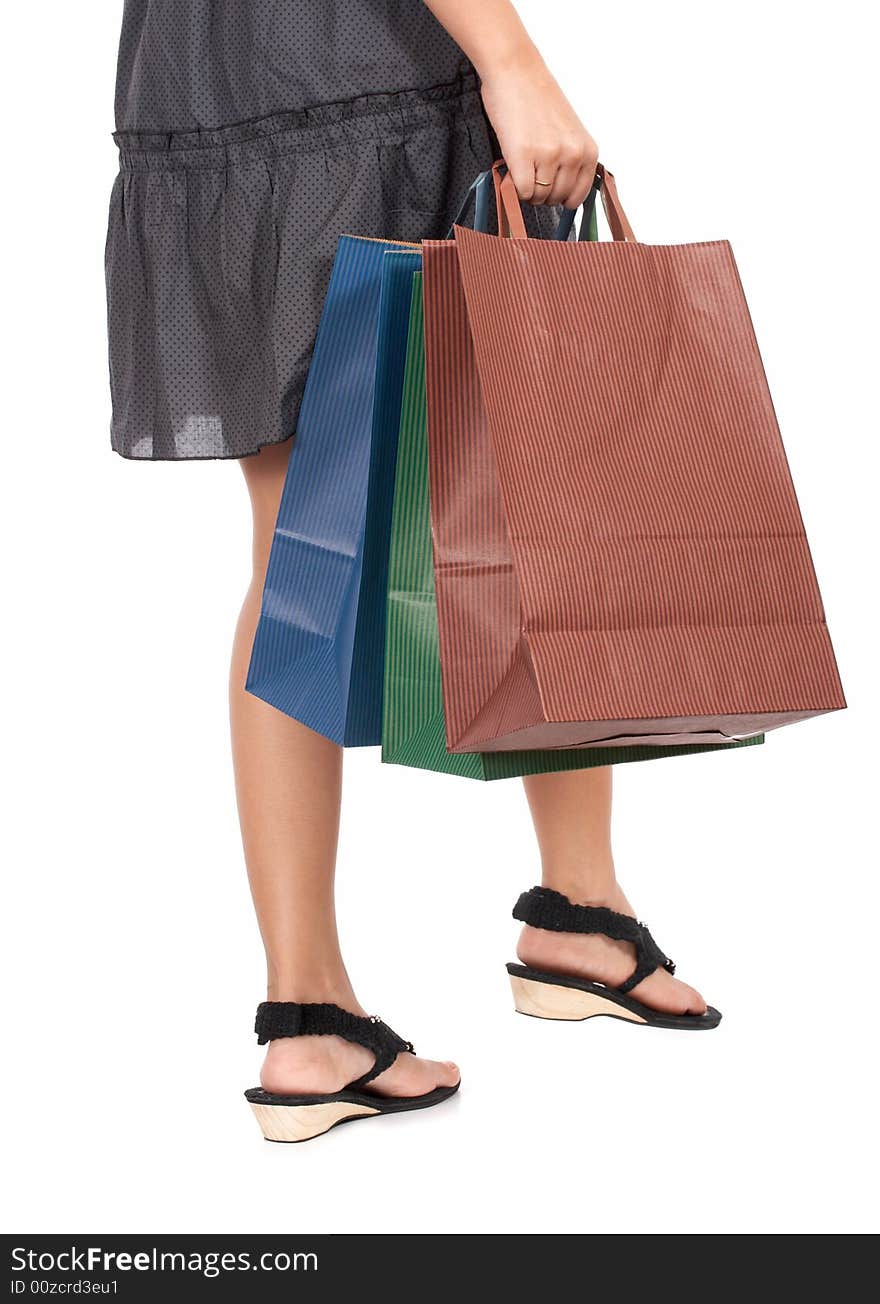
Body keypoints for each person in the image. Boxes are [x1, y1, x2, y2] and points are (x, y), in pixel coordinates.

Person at [106, 0, 715, 1145]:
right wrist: (512, 58)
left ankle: (309, 1019)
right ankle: (576, 908)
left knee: (295, 539)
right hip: (360, 69)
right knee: (528, 482)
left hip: (203, 86)